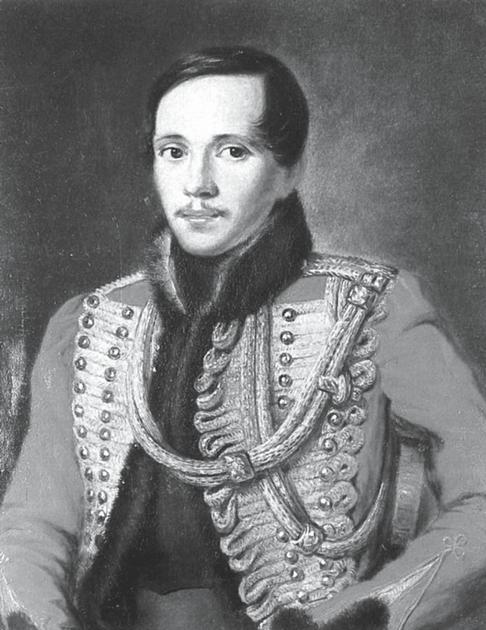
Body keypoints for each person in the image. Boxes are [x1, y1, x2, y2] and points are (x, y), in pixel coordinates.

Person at [0, 46, 486, 630]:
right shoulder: (87, 322)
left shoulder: (374, 308)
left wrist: (358, 619)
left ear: (288, 172)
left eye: (233, 151)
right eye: (174, 151)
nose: (197, 184)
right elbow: (30, 529)